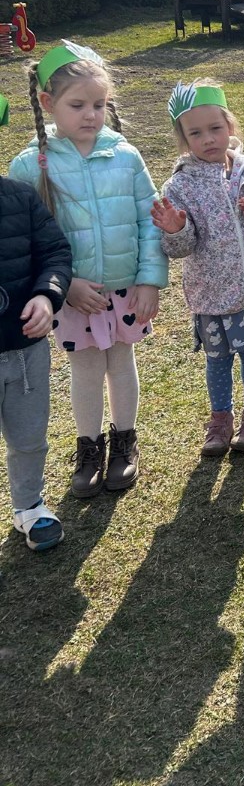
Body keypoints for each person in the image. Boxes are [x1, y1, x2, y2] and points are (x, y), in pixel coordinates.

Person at [9, 40, 168, 496]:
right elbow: (24, 240)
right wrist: (63, 286)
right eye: (77, 105)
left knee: (121, 362)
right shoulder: (30, 166)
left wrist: (149, 280)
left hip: (125, 289)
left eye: (98, 104)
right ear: (47, 103)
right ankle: (89, 447)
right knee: (85, 369)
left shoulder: (126, 155)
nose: (90, 115)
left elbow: (150, 219)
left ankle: (125, 442)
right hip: (75, 296)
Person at [151, 80, 244, 458]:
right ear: (183, 138)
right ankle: (220, 420)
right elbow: (179, 249)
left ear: (230, 125)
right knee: (217, 360)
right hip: (210, 295)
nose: (208, 138)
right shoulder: (179, 186)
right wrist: (176, 229)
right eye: (195, 133)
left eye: (215, 128)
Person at [0, 92, 73, 550]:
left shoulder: (19, 197)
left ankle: (29, 507)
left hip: (25, 350)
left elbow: (55, 252)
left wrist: (48, 296)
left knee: (29, 437)